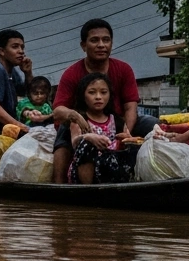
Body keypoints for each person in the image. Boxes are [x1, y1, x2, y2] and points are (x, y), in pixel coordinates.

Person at [50, 18, 155, 183]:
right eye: (94, 40)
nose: (101, 45)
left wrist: (125, 133)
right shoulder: (71, 73)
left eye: (106, 40)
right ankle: (58, 186)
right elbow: (57, 111)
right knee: (64, 129)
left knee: (152, 124)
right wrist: (76, 117)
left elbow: (130, 108)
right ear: (83, 46)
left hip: (116, 122)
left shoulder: (124, 69)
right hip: (83, 125)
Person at [67, 73, 138, 184]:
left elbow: (126, 144)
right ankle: (87, 190)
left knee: (135, 146)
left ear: (109, 95)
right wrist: (88, 137)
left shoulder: (118, 121)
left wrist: (125, 140)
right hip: (86, 174)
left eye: (103, 92)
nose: (98, 97)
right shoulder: (80, 119)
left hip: (111, 168)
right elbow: (75, 143)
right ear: (83, 95)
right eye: (92, 92)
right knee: (86, 144)